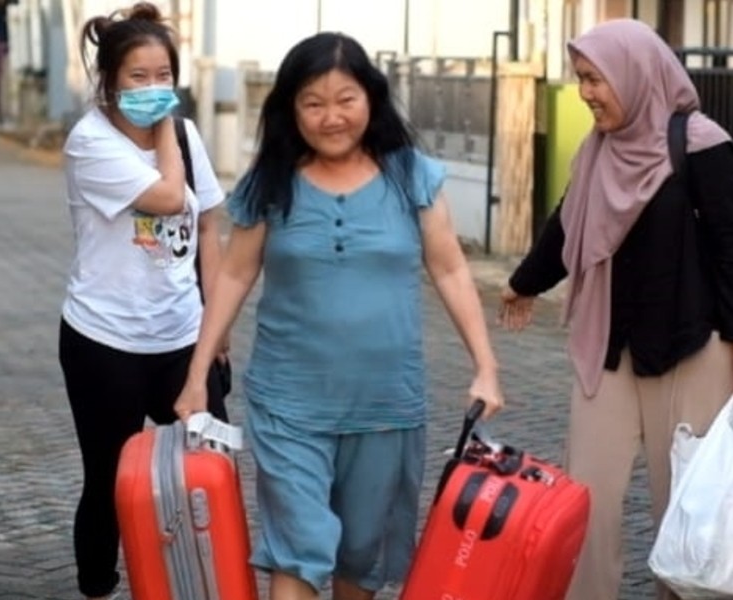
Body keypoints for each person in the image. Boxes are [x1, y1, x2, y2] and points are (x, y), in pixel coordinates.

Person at [174, 31, 504, 600]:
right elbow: (233, 275)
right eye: (313, 103)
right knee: (297, 550)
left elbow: (450, 269)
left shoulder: (413, 176)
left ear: (371, 97)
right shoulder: (270, 182)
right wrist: (198, 373)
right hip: (288, 402)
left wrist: (486, 366)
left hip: (385, 404)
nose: (331, 117)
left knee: (360, 557)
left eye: (345, 99)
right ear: (291, 109)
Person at [497, 19, 733, 600]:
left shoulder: (702, 145)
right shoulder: (596, 152)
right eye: (580, 79)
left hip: (693, 347)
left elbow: (731, 247)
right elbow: (568, 226)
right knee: (584, 505)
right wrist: (524, 283)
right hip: (610, 348)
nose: (586, 93)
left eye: (596, 79)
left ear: (633, 73)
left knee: (686, 511)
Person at [58, 3, 228, 599]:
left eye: (164, 76)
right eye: (138, 77)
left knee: (210, 470)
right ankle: (98, 586)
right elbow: (168, 198)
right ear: (109, 80)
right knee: (109, 478)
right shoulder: (89, 143)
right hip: (105, 341)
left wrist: (215, 325)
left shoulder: (185, 134)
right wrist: (165, 130)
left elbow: (208, 225)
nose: (155, 88)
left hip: (182, 337)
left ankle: (207, 582)